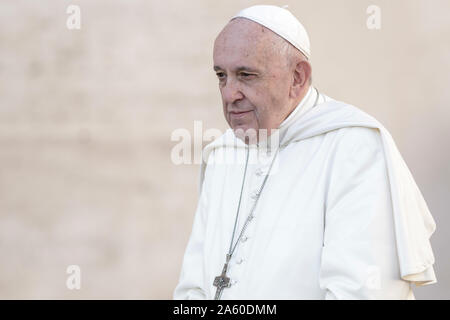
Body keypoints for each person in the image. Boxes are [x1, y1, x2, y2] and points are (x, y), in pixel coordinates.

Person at [173, 4, 437, 299]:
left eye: (246, 75)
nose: (228, 93)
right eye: (221, 76)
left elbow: (361, 292)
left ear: (297, 77)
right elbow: (192, 288)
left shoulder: (354, 148)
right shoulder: (222, 153)